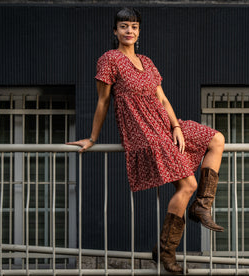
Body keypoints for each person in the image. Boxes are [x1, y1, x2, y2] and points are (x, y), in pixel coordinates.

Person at [67, 7, 225, 274]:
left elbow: (162, 99)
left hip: (164, 126)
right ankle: (166, 253)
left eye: (134, 27)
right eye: (124, 26)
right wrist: (93, 137)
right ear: (115, 31)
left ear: (139, 32)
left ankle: (201, 206)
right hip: (142, 131)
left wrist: (175, 126)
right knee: (188, 184)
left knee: (216, 138)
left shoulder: (148, 62)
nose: (130, 31)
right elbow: (104, 100)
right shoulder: (109, 60)